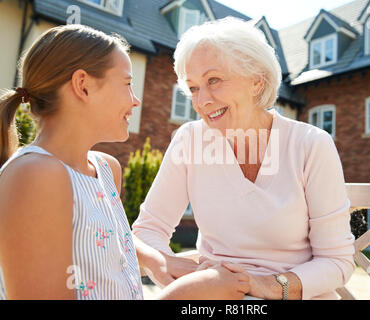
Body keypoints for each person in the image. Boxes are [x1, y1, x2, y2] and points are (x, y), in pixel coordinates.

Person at [0, 24, 249, 300]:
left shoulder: (106, 169)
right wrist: (184, 295)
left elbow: (104, 241)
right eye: (128, 84)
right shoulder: (34, 176)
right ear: (83, 86)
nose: (136, 100)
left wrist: (158, 260)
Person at [132, 17, 356, 300]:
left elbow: (337, 261)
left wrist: (265, 286)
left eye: (214, 80)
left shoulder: (311, 145)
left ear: (256, 81)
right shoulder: (190, 140)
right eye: (193, 88)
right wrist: (165, 262)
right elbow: (146, 231)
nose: (202, 101)